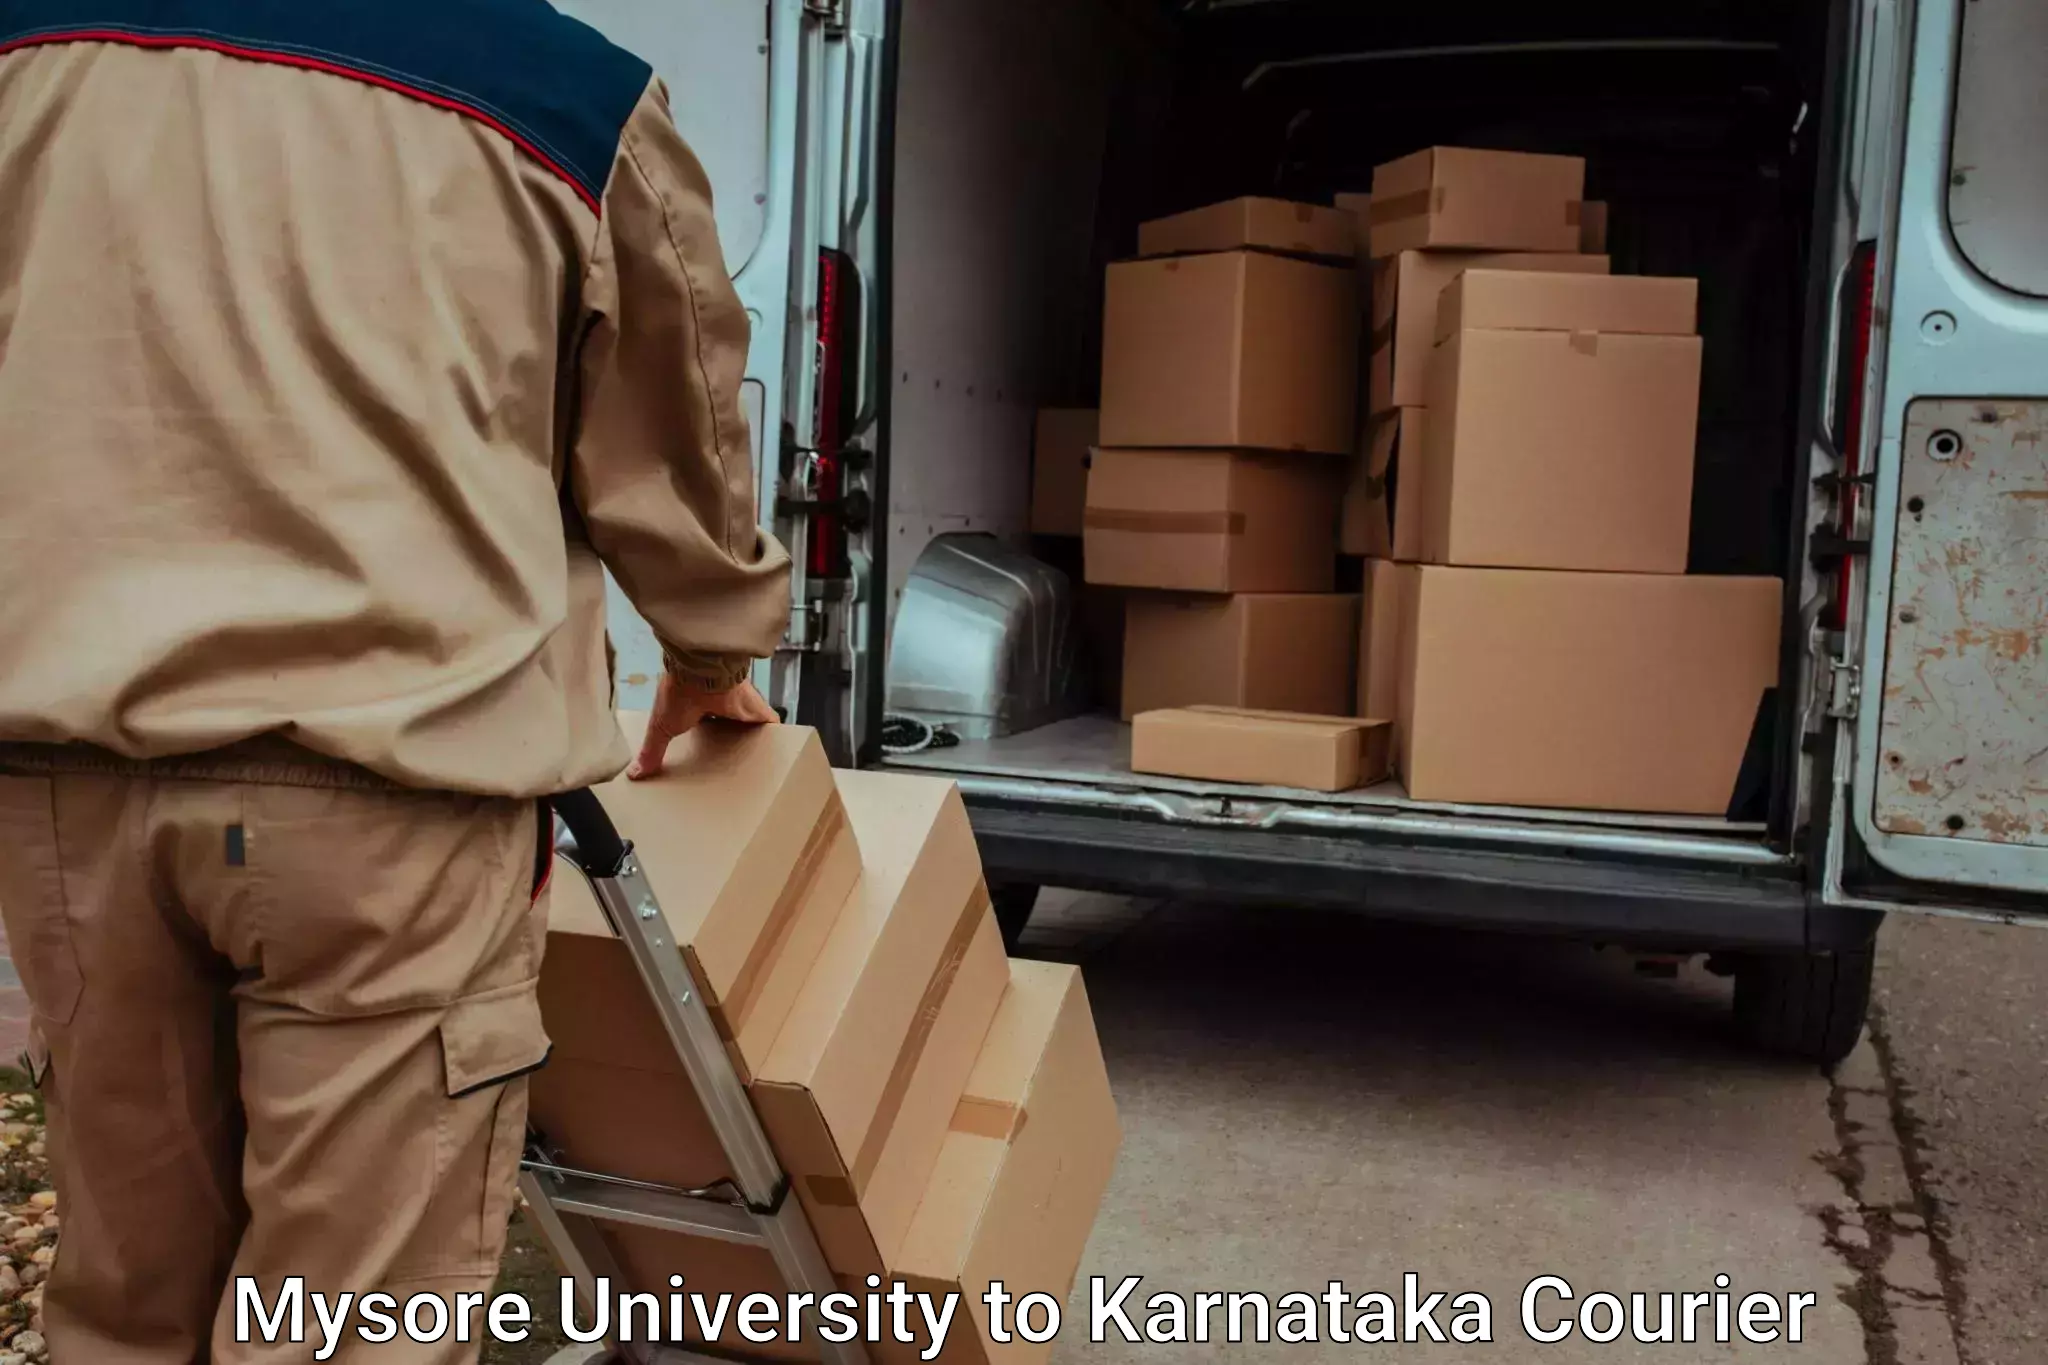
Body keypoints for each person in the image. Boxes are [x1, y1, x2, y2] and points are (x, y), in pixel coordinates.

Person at [0, 2, 789, 1359]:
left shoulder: (32, 51)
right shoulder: (567, 99)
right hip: (390, 807)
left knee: (125, 1303)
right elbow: (676, 429)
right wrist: (710, 649)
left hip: (72, 797)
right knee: (350, 1321)